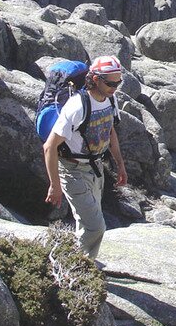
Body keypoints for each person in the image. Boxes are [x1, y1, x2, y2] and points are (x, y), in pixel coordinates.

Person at [43, 55, 128, 261]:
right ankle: (76, 268)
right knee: (95, 227)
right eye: (110, 82)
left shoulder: (110, 99)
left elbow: (110, 131)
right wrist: (55, 185)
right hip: (72, 171)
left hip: (95, 168)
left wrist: (120, 164)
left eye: (118, 82)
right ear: (95, 79)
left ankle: (82, 263)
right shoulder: (77, 106)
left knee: (86, 224)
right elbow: (49, 146)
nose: (114, 87)